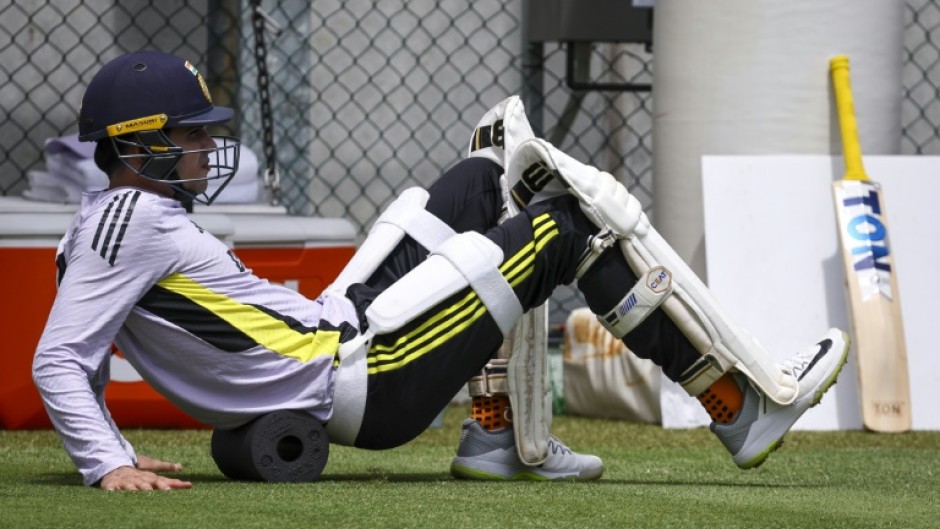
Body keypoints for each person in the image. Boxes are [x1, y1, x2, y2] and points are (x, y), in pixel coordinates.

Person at [33, 51, 849, 491]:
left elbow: (93, 338)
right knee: (564, 226)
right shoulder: (129, 220)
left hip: (335, 329)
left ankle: (495, 436)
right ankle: (735, 402)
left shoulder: (118, 221)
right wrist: (108, 461)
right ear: (137, 144)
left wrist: (110, 442)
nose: (208, 147)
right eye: (192, 134)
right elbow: (61, 354)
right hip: (361, 376)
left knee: (487, 172)